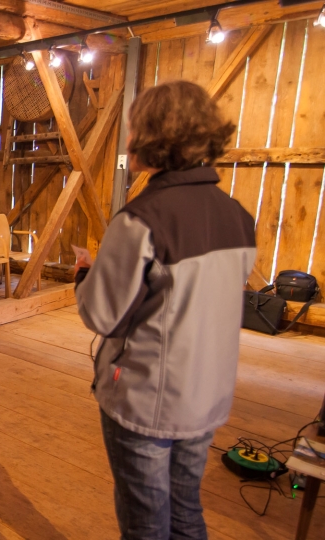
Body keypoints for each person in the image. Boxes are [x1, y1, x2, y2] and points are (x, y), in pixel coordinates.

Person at [73, 80, 255, 540]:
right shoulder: (238, 216)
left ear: (153, 136)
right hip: (207, 394)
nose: (129, 139)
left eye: (134, 128)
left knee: (145, 525)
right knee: (185, 513)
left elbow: (102, 316)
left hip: (147, 399)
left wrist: (87, 274)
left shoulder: (141, 219)